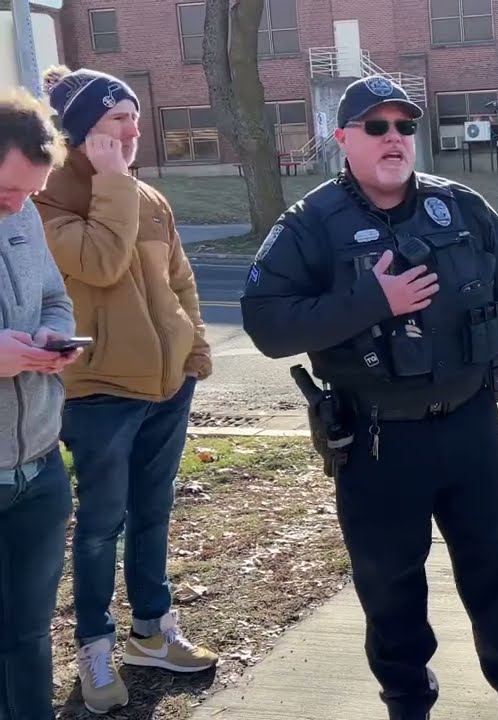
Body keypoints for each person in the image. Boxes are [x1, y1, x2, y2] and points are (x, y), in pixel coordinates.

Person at [238, 76, 498, 720]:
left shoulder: (461, 207)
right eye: (376, 127)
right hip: (378, 439)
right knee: (389, 579)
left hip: (471, 425)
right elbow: (266, 323)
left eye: (403, 127)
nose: (393, 138)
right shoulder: (311, 224)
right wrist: (372, 301)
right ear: (343, 139)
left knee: (496, 562)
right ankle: (407, 694)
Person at [34, 66, 217, 714]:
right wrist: (112, 181)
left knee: (152, 513)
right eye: (119, 119)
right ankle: (94, 649)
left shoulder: (149, 198)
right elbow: (101, 262)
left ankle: (151, 632)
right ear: (83, 128)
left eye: (136, 119)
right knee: (99, 526)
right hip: (100, 392)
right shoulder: (46, 198)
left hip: (167, 386)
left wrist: (195, 349)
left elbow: (180, 281)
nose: (134, 131)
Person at [0, 86, 82, 720]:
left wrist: (53, 337)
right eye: (7, 190)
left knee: (29, 637)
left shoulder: (23, 215)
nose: (18, 205)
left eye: (30, 193)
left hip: (39, 468)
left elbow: (55, 297)